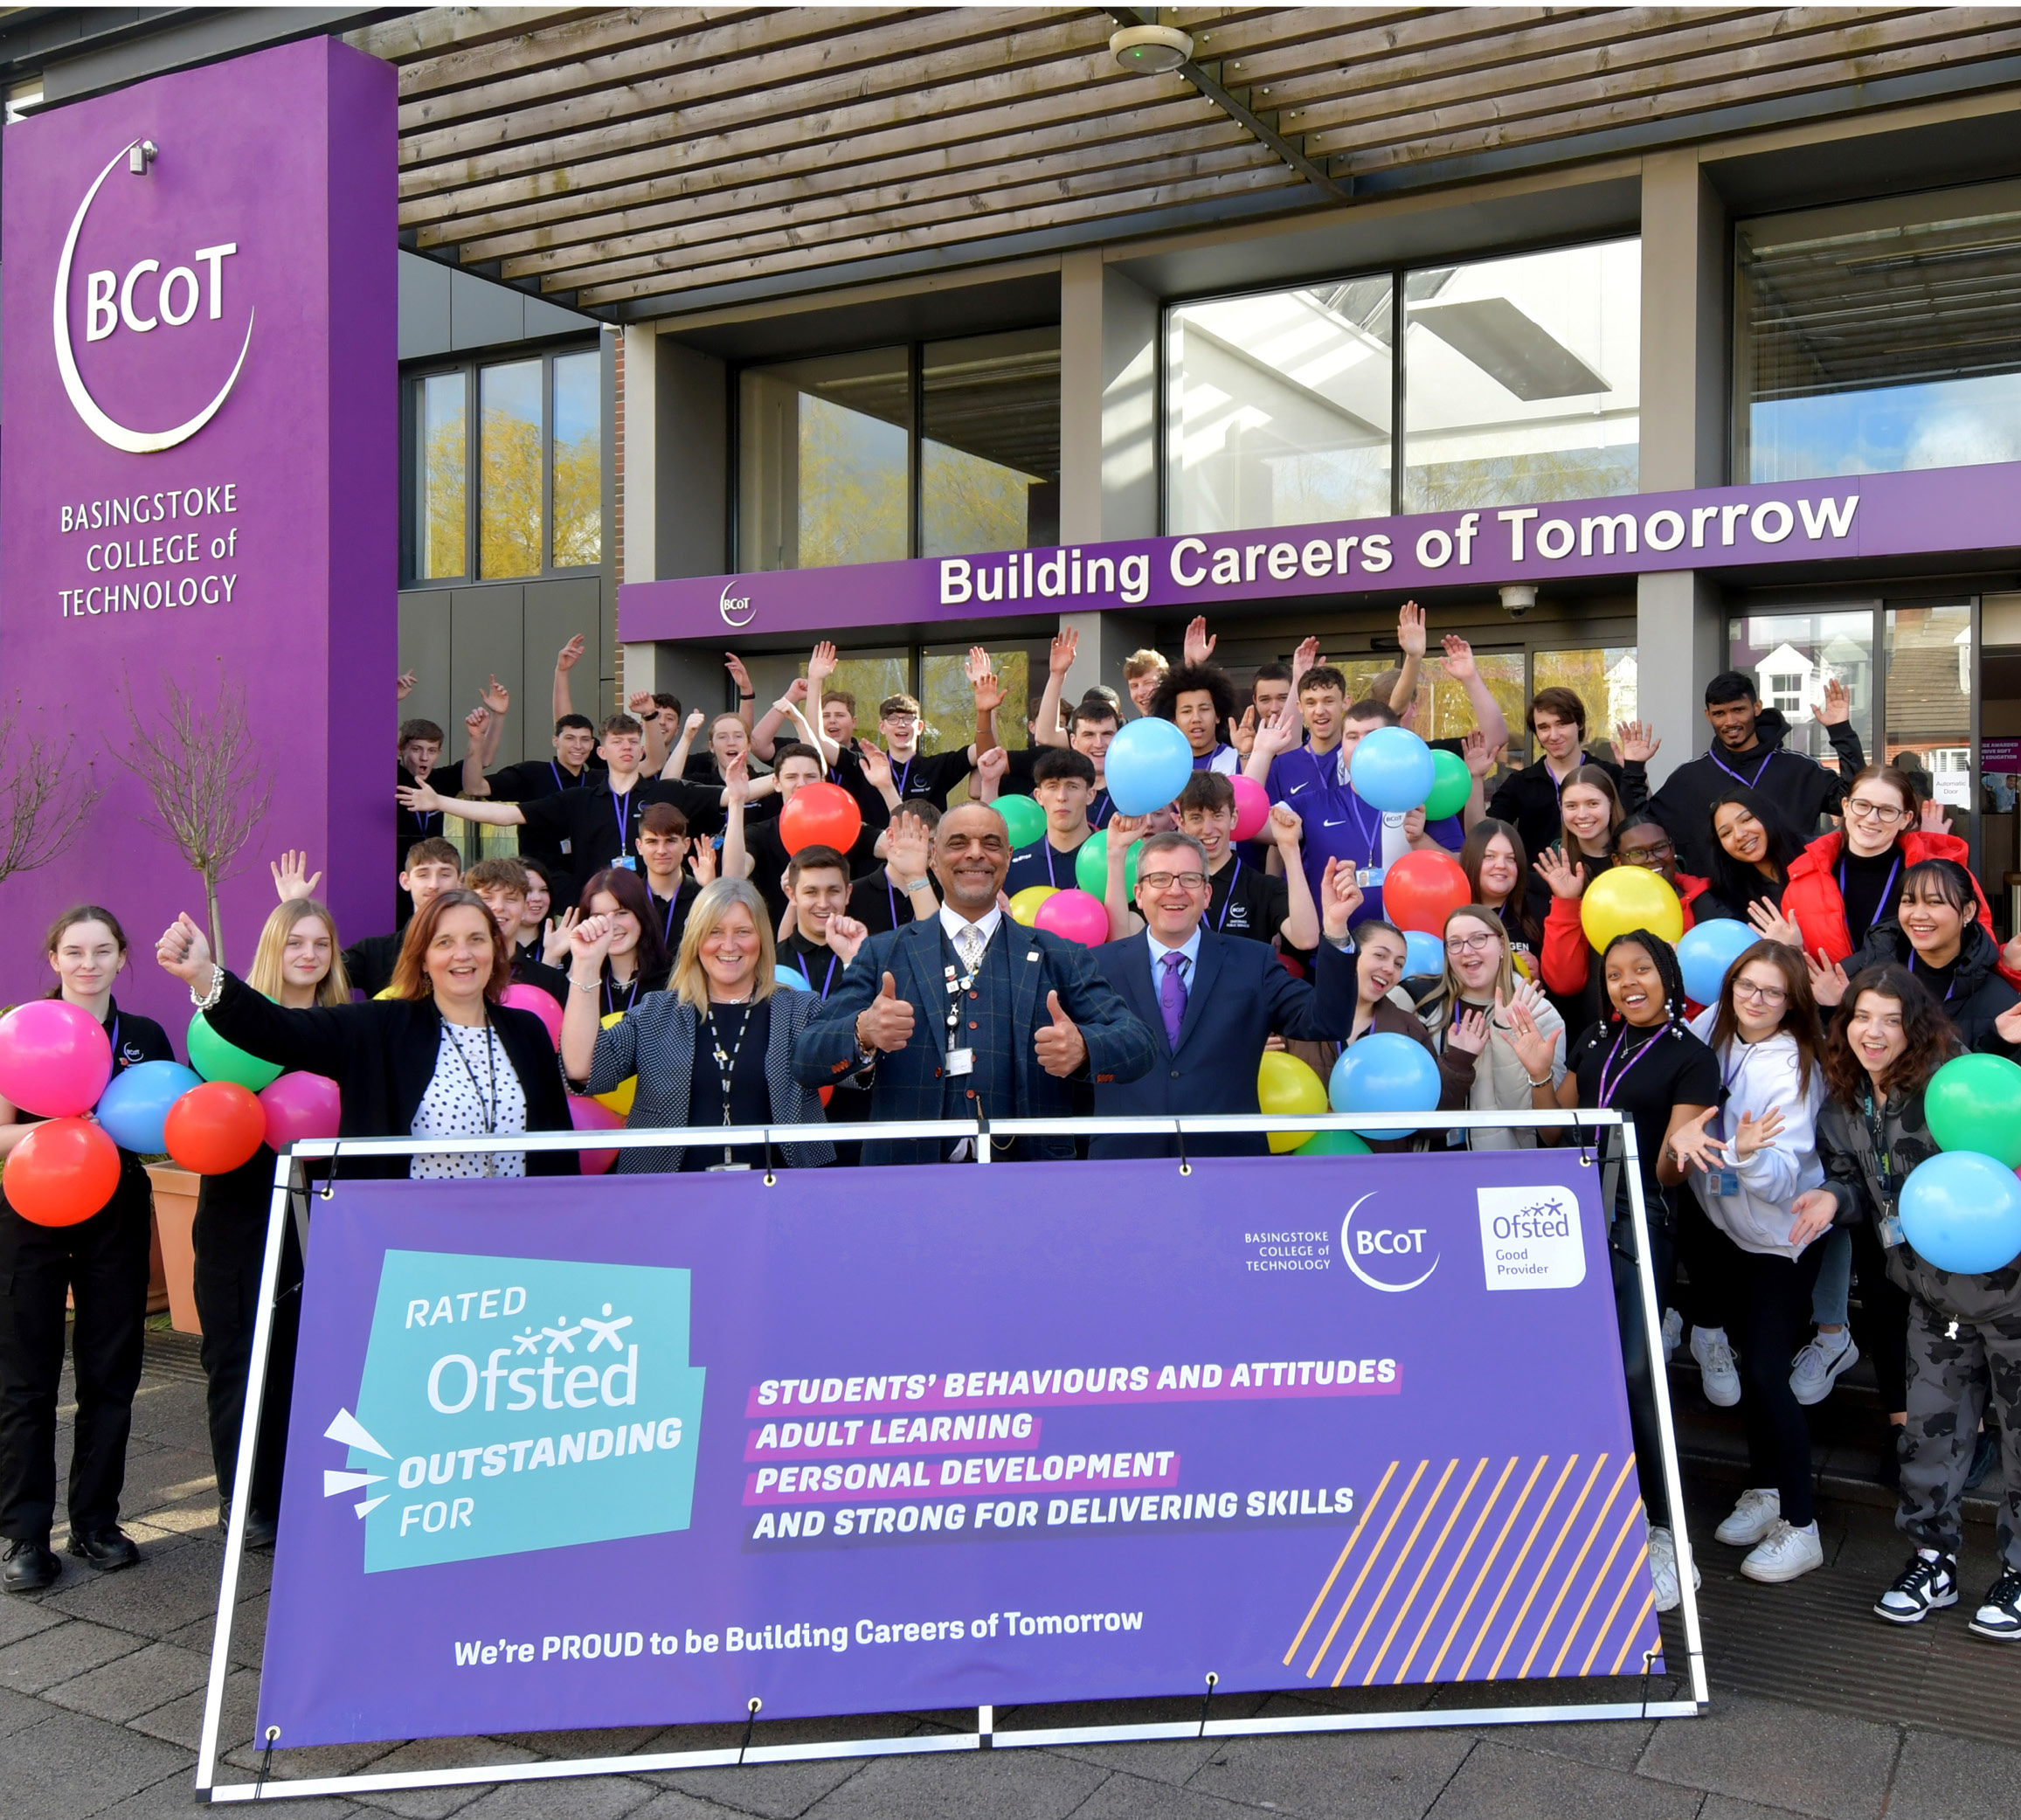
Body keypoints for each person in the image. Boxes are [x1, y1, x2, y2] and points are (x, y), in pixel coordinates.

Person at [1792, 971, 2021, 1638]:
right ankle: (1932, 1559)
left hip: (2008, 1295)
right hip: (1927, 1297)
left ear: (1914, 1026)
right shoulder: (1842, 1102)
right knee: (1926, 1435)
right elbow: (1857, 1181)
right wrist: (1833, 1199)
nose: (1871, 1031)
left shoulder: (1949, 1091)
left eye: (1889, 1019)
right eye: (1861, 1016)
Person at [1512, 929, 1721, 1612]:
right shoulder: (1597, 1040)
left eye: (1642, 970)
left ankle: (1666, 1532)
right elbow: (1556, 1131)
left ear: (1667, 976)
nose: (1627, 982)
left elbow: (1668, 1171)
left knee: (1634, 1368)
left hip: (1642, 1217)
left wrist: (1680, 1146)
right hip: (1574, 1213)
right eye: (1614, 973)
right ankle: (1607, 1509)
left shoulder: (1691, 1057)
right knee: (1578, 1370)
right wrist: (1540, 1073)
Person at [792, 801, 1157, 1164]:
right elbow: (807, 1060)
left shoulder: (1059, 955)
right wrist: (863, 1031)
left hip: (1029, 1184)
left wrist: (1084, 1049)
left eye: (991, 843)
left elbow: (1138, 1045)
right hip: (907, 1182)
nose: (976, 854)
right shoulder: (883, 953)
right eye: (958, 843)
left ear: (1009, 856)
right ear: (933, 857)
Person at [156, 893, 578, 1181]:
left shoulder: (527, 1032)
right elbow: (277, 1030)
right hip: (413, 1243)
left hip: (516, 1236)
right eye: (444, 942)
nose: (462, 954)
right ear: (423, 959)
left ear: (494, 951)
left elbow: (558, 1151)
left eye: (476, 940)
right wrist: (203, 975)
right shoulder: (380, 1027)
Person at [0, 908, 175, 1595]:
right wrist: (63, 1126)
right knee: (26, 1377)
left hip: (115, 1215)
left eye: (102, 951)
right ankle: (23, 1536)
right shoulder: (22, 1033)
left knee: (111, 1372)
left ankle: (96, 1522)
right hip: (29, 1211)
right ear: (54, 956)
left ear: (121, 956)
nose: (88, 963)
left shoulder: (144, 1036)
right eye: (74, 950)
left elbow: (160, 1128)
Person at [1667, 941, 1831, 1584]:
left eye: (1771, 991)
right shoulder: (1714, 1025)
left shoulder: (1792, 1065)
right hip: (1725, 1229)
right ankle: (1764, 1489)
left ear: (1790, 1002)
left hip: (1780, 1238)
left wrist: (1740, 1151)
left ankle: (1802, 1523)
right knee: (1748, 1364)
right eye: (1746, 985)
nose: (1755, 999)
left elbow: (1781, 1179)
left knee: (1766, 1371)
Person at [192, 897, 352, 1554]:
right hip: (239, 1212)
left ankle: (303, 1491)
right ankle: (243, 1496)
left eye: (320, 943)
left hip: (325, 1212)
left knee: (310, 1357)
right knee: (238, 1357)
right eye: (294, 943)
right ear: (272, 950)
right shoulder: (229, 1026)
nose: (308, 955)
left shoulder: (348, 1027)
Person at [1084, 832, 1360, 1158]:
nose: (1175, 890)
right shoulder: (1098, 967)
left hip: (1227, 1166)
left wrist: (1336, 930)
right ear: (1139, 894)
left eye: (1189, 879)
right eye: (1160, 879)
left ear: (1207, 894)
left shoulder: (1253, 962)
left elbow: (1326, 1021)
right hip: (1125, 1165)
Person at [562, 880, 832, 1174]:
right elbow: (582, 1068)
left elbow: (854, 1061)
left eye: (743, 932)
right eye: (714, 932)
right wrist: (586, 966)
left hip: (780, 1193)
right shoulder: (656, 1013)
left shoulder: (798, 1010)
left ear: (762, 939)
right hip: (670, 1199)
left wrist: (855, 963)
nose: (729, 945)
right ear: (695, 940)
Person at [401, 712, 727, 886]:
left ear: (642, 750)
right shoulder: (578, 798)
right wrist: (441, 802)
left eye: (633, 742)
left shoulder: (664, 792)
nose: (627, 747)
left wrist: (779, 778)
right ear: (603, 751)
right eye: (618, 741)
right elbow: (508, 815)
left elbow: (731, 796)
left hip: (655, 903)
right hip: (595, 908)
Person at [1254, 697, 1468, 928]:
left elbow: (1462, 870)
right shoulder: (1315, 803)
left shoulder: (1422, 799)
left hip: (1409, 953)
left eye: (1371, 736)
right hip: (1335, 952)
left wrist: (1420, 840)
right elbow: (1247, 823)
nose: (1361, 746)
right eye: (1352, 737)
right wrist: (1261, 752)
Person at [1781, 763, 2007, 971]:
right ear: (1846, 807)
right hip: (1834, 1013)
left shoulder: (1944, 876)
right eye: (1862, 805)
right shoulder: (1804, 879)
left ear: (1906, 819)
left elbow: (1979, 952)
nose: (1871, 819)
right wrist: (1791, 953)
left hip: (1921, 1010)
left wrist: (2011, 964)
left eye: (1887, 810)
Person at [1651, 671, 1864, 876]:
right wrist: (1634, 770)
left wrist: (1841, 731)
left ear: (1757, 707)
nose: (1730, 721)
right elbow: (1645, 827)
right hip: (1721, 906)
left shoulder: (1799, 769)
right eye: (1719, 713)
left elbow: (1856, 801)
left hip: (1794, 900)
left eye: (1738, 710)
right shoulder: (1690, 778)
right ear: (1708, 716)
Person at [1812, 859, 2020, 1051]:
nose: (1918, 915)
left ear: (1967, 911)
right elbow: (1838, 1063)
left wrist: (1996, 1042)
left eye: (1934, 902)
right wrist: (1834, 1011)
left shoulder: (1998, 1000)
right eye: (1909, 902)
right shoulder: (1861, 971)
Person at [1411, 906, 1567, 1148]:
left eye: (1478, 939)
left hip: (1501, 1169)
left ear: (1503, 945)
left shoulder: (1539, 1013)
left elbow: (1526, 1120)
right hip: (1432, 1164)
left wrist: (1505, 1032)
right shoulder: (1423, 1008)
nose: (1467, 951)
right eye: (1455, 943)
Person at [1539, 813, 1709, 1006]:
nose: (1651, 859)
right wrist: (1566, 903)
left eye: (1660, 848)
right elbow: (1565, 983)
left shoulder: (1705, 900)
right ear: (1617, 861)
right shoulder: (1600, 909)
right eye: (1636, 853)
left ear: (1672, 849)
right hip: (1625, 1030)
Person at [1154, 773, 1319, 948]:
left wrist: (1290, 847)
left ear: (1233, 819)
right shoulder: (1168, 888)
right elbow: (1126, 941)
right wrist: (1120, 851)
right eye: (1197, 818)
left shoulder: (1263, 888)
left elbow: (1306, 940)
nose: (1208, 829)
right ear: (1181, 822)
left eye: (1217, 816)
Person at [1488, 686, 1652, 862]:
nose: (1554, 735)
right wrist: (1475, 778)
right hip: (1539, 884)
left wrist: (1637, 769)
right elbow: (1485, 832)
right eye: (1544, 727)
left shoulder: (1609, 774)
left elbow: (1646, 823)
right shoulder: (1520, 783)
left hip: (1604, 881)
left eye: (1562, 724)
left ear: (1579, 724)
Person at [340, 838, 464, 997]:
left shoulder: (478, 951)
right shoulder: (374, 952)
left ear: (460, 881)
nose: (434, 884)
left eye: (445, 874)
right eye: (423, 874)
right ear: (405, 881)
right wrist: (297, 910)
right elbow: (316, 973)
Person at [393, 713, 485, 902]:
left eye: (432, 751)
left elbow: (482, 761)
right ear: (400, 749)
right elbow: (369, 752)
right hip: (393, 872)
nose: (424, 757)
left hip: (432, 874)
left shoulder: (441, 780)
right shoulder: (389, 775)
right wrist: (392, 698)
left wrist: (494, 720)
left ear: (439, 752)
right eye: (417, 749)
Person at [463, 858, 570, 1005]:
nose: (499, 907)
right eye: (487, 898)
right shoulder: (456, 971)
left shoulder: (552, 980)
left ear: (525, 908)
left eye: (511, 899)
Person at [1698, 788, 1808, 931]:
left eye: (1747, 819)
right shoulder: (1729, 899)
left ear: (1767, 815)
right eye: (1726, 833)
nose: (1739, 835)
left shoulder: (1821, 855)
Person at [573, 868, 672, 1022]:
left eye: (621, 913)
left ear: (641, 914)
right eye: (598, 917)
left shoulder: (674, 978)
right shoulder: (584, 983)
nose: (611, 925)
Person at [776, 846, 869, 1002]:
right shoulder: (770, 962)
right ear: (791, 895)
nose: (823, 904)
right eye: (811, 892)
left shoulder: (870, 957)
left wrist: (853, 961)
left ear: (848, 893)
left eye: (833, 891)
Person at [1249, 664, 1350, 806]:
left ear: (1345, 703)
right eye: (1311, 703)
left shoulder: (1359, 757)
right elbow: (1259, 818)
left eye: (1328, 701)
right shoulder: (1282, 765)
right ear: (1300, 707)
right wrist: (1260, 752)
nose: (1320, 711)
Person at [1004, 748, 1097, 896]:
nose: (1061, 797)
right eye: (1052, 787)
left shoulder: (1111, 860)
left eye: (1072, 787)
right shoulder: (1013, 867)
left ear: (1090, 795)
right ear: (1038, 796)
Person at [1458, 819, 1544, 967]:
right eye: (1490, 856)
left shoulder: (1537, 912)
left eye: (1511, 859)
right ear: (1472, 859)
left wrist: (1539, 978)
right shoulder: (1453, 913)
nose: (1501, 865)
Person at [848, 805, 943, 937]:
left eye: (931, 840)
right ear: (891, 836)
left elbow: (940, 944)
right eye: (917, 838)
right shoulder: (853, 894)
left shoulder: (945, 893)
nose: (924, 848)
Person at [1150, 662, 1242, 775]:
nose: (1196, 718)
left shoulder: (1237, 759)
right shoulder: (1162, 766)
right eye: (1186, 711)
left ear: (1218, 715)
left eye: (1204, 709)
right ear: (1174, 720)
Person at [1124, 648, 1167, 717]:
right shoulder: (1133, 728)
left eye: (1148, 683)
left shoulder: (1183, 726)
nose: (1140, 693)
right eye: (1134, 686)